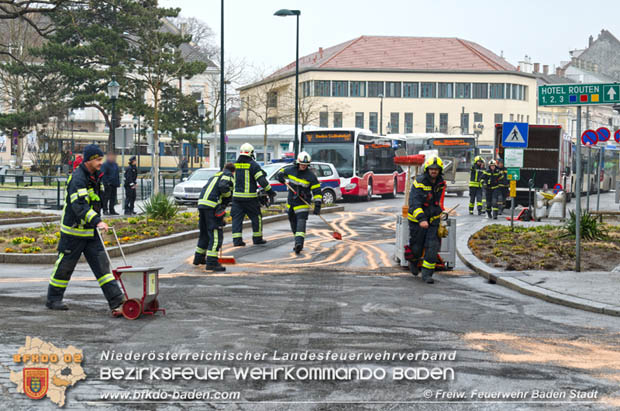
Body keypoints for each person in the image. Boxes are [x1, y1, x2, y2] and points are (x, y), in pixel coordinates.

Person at [46, 144, 125, 313]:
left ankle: (117, 301)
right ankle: (53, 299)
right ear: (88, 160)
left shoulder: (96, 176)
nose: (100, 162)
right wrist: (97, 221)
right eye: (97, 159)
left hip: (90, 232)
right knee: (64, 267)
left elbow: (97, 202)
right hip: (73, 233)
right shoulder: (78, 179)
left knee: (103, 268)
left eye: (100, 159)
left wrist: (96, 222)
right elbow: (79, 206)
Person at [407, 156, 446, 284]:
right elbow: (414, 202)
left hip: (433, 220)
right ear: (427, 170)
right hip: (417, 221)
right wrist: (421, 219)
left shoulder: (440, 183)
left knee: (433, 247)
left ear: (440, 171)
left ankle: (427, 274)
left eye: (436, 169)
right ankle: (413, 261)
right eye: (431, 169)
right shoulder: (419, 182)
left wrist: (441, 213)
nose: (434, 171)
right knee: (417, 248)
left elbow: (437, 202)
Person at [276, 151, 322, 254]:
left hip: (302, 202)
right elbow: (281, 172)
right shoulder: (291, 170)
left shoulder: (311, 176)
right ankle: (297, 240)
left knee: (301, 222)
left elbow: (317, 191)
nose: (303, 166)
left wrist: (318, 205)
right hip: (291, 202)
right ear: (298, 163)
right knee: (293, 223)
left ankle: (299, 244)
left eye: (305, 165)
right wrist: (280, 177)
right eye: (302, 164)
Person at [231, 143, 276, 246]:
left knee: (237, 219)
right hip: (250, 198)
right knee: (256, 217)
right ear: (251, 153)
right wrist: (270, 192)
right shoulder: (253, 165)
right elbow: (262, 181)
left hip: (236, 198)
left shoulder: (234, 165)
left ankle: (237, 241)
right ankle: (257, 238)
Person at [194, 163, 236, 271]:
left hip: (202, 204)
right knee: (216, 234)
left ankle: (199, 258)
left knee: (204, 233)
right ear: (233, 171)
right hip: (212, 206)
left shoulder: (216, 175)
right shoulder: (228, 175)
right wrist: (228, 197)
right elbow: (223, 187)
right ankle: (212, 262)